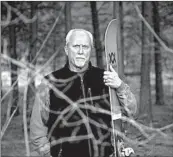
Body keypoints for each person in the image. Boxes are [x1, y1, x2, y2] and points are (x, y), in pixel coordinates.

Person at [30, 29, 137, 157]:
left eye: (85, 47)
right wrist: (49, 154)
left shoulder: (106, 79)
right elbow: (37, 130)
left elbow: (132, 111)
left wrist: (120, 86)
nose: (81, 51)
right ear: (66, 49)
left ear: (90, 50)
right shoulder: (50, 83)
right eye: (76, 46)